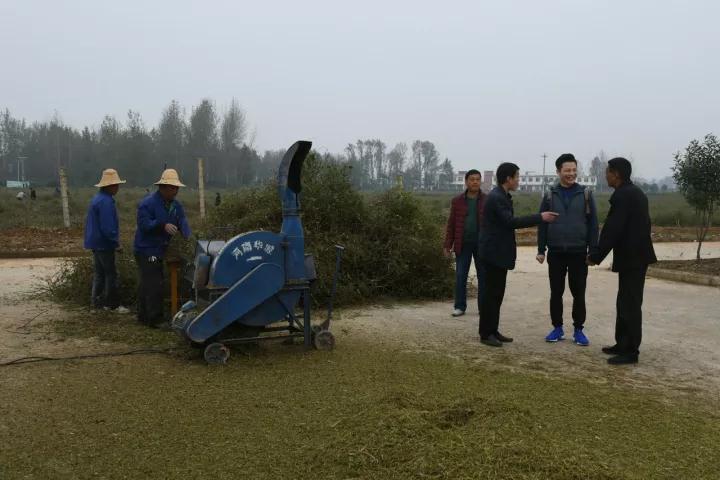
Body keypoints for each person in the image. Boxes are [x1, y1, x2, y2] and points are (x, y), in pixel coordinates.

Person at [478, 163, 559, 347]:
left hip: (498, 253)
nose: (518, 181)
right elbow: (510, 222)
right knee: (491, 295)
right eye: (517, 177)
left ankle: (493, 330)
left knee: (497, 294)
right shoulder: (497, 197)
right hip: (493, 253)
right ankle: (486, 333)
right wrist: (540, 217)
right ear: (508, 178)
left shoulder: (502, 196)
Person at [589, 158, 656, 365]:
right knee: (624, 301)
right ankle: (622, 343)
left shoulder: (623, 195)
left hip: (633, 257)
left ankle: (631, 351)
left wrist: (596, 256)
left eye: (607, 172)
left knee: (630, 304)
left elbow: (612, 229)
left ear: (616, 174)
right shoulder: (634, 192)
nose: (605, 175)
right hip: (635, 256)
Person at [537, 153, 599, 346]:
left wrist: (593, 251)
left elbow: (593, 225)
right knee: (556, 292)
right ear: (558, 172)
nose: (571, 174)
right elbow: (542, 223)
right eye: (567, 170)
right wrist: (541, 249)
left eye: (574, 170)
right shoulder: (550, 195)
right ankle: (557, 328)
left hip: (578, 252)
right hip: (556, 252)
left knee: (578, 293)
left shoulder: (586, 194)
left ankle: (578, 330)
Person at [133, 169, 191, 328]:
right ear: (163, 187)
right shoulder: (148, 204)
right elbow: (144, 225)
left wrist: (188, 236)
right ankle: (155, 319)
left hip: (159, 249)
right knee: (154, 282)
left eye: (176, 188)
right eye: (172, 188)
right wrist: (161, 225)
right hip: (147, 250)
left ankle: (144, 315)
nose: (175, 191)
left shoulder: (176, 205)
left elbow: (182, 221)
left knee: (148, 282)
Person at [83, 168, 129, 314]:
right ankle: (112, 304)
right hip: (104, 243)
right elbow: (108, 227)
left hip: (95, 243)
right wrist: (116, 243)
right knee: (111, 274)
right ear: (109, 186)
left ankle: (96, 304)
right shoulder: (106, 202)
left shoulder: (97, 199)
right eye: (115, 185)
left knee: (99, 274)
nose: (117, 187)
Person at [443, 169, 486, 317]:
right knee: (461, 275)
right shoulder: (457, 201)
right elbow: (451, 224)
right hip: (463, 244)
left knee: (483, 277)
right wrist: (447, 245)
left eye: (477, 179)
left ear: (480, 181)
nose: (475, 182)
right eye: (472, 179)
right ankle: (460, 306)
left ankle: (484, 308)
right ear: (466, 182)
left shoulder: (487, 200)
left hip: (482, 245)